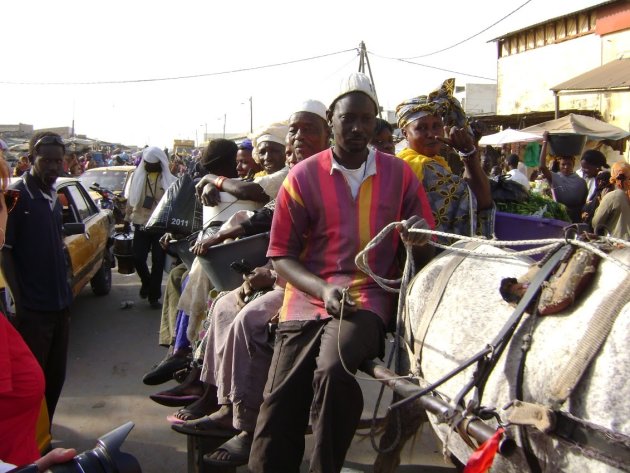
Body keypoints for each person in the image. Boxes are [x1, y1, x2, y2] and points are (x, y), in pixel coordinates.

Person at [248, 73, 434, 473]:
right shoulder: (301, 176)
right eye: (348, 119)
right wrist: (323, 288)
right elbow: (281, 256)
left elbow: (426, 237)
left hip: (367, 295)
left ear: (375, 121)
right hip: (305, 296)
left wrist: (418, 235)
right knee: (280, 398)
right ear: (331, 118)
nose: (357, 128)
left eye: (366, 119)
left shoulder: (400, 175)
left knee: (334, 370)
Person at [172, 100, 332, 468]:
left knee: (250, 319)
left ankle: (246, 425)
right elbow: (265, 217)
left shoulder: (331, 177)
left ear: (328, 135)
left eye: (310, 130)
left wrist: (273, 275)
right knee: (225, 305)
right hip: (286, 273)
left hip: (316, 282)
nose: (300, 137)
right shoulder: (298, 177)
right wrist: (225, 235)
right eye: (295, 130)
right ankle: (222, 400)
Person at [1, 132, 73, 424]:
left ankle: (44, 437)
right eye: (47, 161)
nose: (54, 167)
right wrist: (18, 304)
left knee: (55, 378)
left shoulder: (53, 198)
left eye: (59, 161)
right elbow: (5, 254)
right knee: (32, 384)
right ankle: (30, 444)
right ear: (31, 160)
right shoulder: (16, 197)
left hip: (60, 307)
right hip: (33, 310)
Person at [395, 78, 493, 246]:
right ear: (405, 133)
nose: (432, 134)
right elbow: (478, 200)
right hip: (426, 256)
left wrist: (467, 152)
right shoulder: (417, 165)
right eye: (421, 128)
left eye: (436, 126)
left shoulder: (438, 161)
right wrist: (468, 154)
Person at [123, 147, 177, 308]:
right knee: (138, 258)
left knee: (158, 261)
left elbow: (175, 204)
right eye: (146, 163)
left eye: (151, 164)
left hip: (161, 226)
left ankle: (154, 296)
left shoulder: (169, 180)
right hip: (141, 223)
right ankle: (147, 282)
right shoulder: (136, 177)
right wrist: (126, 219)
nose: (147, 166)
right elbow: (131, 200)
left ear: (159, 164)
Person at [538, 131, 588, 223]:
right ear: (559, 165)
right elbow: (542, 166)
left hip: (575, 219)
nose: (566, 167)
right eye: (563, 164)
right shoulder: (555, 177)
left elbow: (583, 203)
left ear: (573, 165)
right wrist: (545, 142)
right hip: (559, 218)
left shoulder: (581, 182)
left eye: (569, 164)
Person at [592, 161, 630, 239]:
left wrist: (602, 202)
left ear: (613, 177)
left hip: (619, 245)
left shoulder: (612, 196)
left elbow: (596, 223)